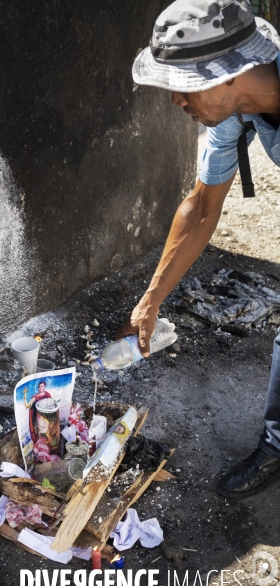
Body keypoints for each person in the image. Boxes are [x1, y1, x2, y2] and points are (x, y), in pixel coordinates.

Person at [118, 0, 280, 498]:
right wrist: (152, 297)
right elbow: (202, 206)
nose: (175, 102)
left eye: (183, 86)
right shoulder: (233, 110)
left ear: (231, 74)